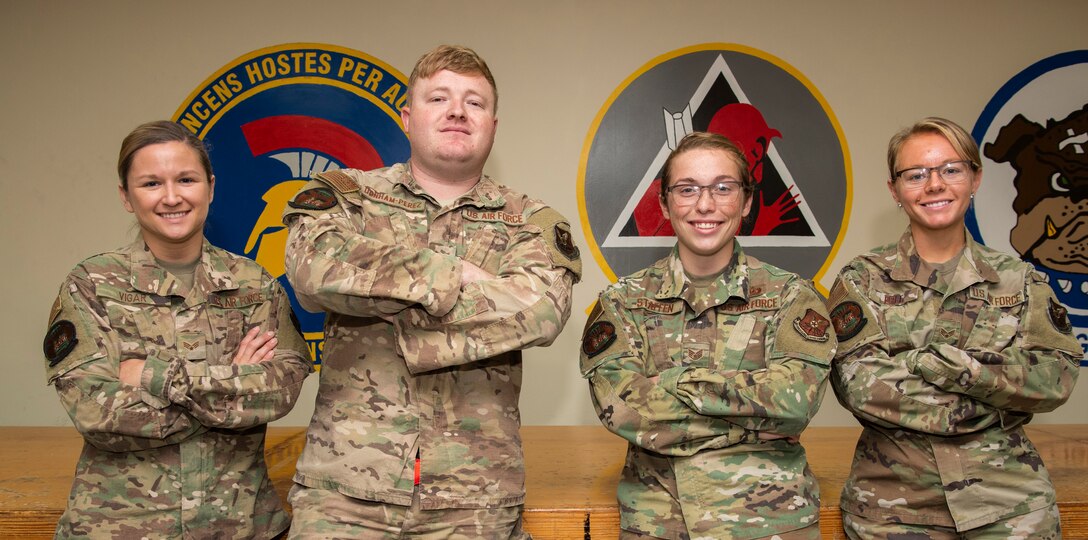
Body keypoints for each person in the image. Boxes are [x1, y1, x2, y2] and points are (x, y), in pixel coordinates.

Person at [281, 45, 581, 538]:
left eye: (474, 102)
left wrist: (385, 302)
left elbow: (542, 310)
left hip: (475, 497)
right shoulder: (347, 196)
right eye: (438, 98)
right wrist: (454, 274)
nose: (457, 111)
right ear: (407, 117)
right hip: (346, 493)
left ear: (493, 125)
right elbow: (312, 270)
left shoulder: (530, 220)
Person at [43, 120, 312, 539]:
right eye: (151, 183)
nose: (171, 197)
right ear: (126, 197)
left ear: (210, 187)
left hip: (242, 527)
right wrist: (233, 386)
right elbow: (95, 411)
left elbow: (281, 391)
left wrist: (152, 375)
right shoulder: (92, 284)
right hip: (121, 527)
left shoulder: (255, 284)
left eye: (186, 179)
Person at [827, 117, 1081, 539]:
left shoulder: (1019, 280)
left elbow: (1054, 377)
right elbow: (860, 386)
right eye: (916, 175)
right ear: (894, 189)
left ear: (975, 177)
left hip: (1010, 506)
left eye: (951, 169)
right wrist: (993, 396)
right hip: (895, 508)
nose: (935, 185)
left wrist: (957, 369)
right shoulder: (862, 279)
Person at [580, 132, 833, 539]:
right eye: (687, 189)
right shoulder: (624, 302)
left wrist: (672, 387)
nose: (705, 205)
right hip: (658, 520)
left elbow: (796, 402)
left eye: (722, 188)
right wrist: (749, 424)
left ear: (747, 202)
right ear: (664, 204)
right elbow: (621, 408)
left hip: (769, 521)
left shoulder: (790, 296)